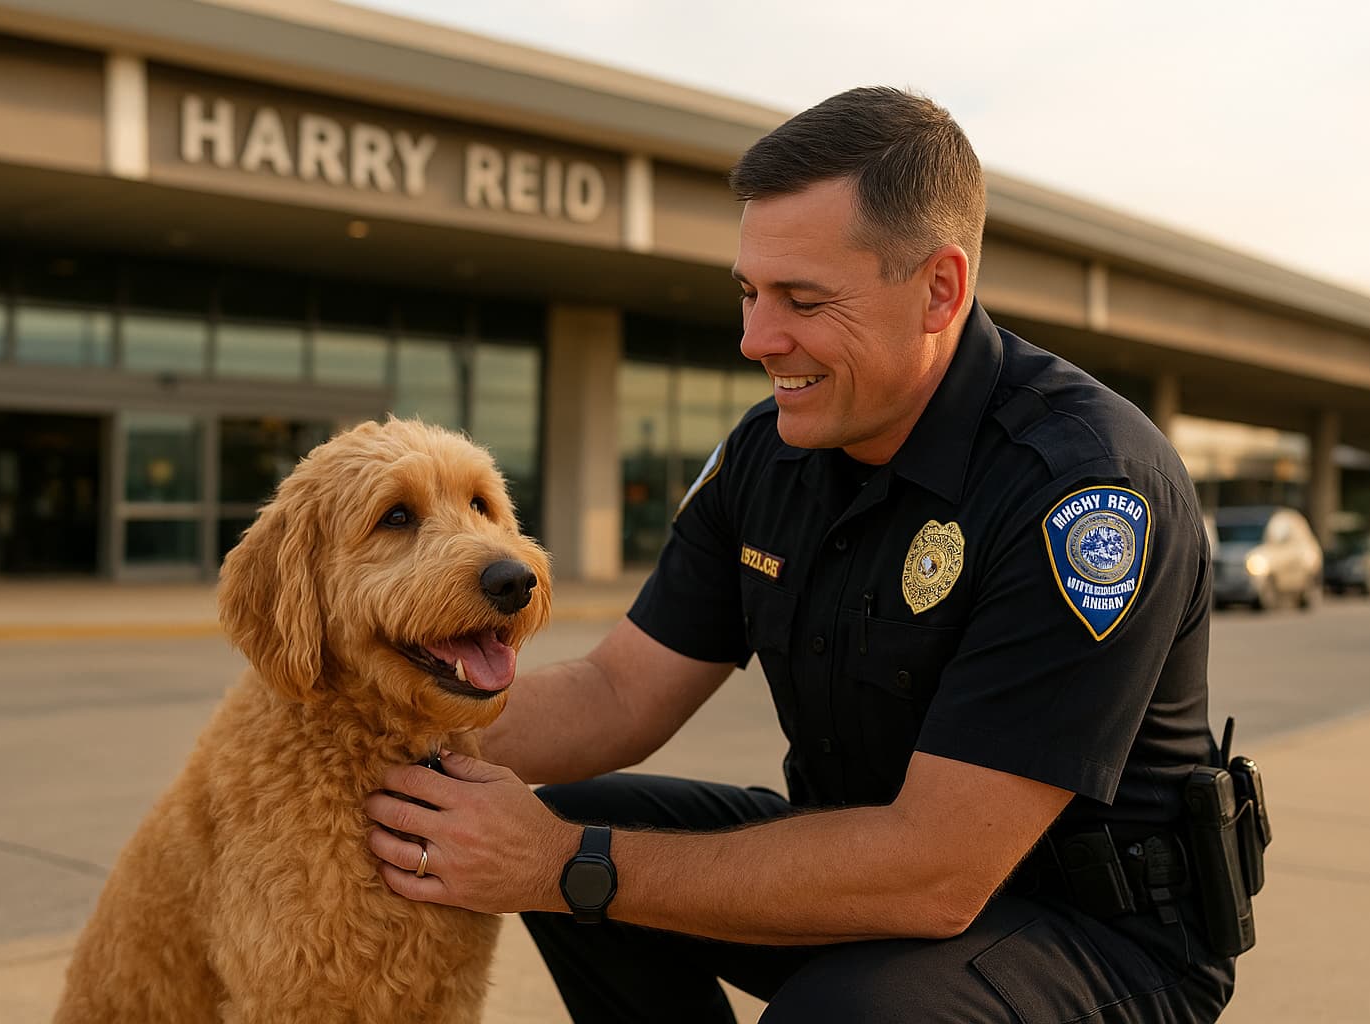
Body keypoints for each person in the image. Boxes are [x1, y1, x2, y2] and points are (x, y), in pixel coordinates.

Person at [365, 86, 1236, 1022]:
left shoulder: (1082, 486)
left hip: (1094, 935)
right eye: (748, 291)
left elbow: (937, 872)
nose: (755, 338)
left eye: (803, 300)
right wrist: (351, 723)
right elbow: (616, 693)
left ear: (939, 288)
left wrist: (565, 866)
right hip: (863, 866)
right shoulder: (769, 454)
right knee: (570, 818)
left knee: (830, 1005)